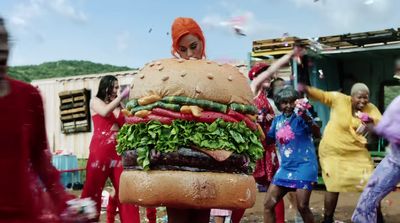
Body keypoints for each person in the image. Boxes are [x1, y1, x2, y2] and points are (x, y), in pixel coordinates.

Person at [0, 17, 74, 222]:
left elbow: (41, 160)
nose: (2, 48)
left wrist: (64, 203)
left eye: (5, 40)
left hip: (24, 214)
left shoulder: (28, 97)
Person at [302, 83, 382, 223]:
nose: (363, 101)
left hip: (356, 152)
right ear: (351, 97)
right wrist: (304, 88)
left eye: (366, 98)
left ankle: (378, 218)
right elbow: (321, 95)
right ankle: (328, 219)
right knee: (334, 185)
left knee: (371, 183)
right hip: (333, 151)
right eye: (359, 97)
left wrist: (370, 123)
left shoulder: (371, 109)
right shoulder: (339, 99)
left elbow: (381, 126)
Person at [81, 75, 141, 222]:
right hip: (100, 152)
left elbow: (129, 122)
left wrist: (128, 106)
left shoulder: (118, 104)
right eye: (114, 87)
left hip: (118, 152)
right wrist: (121, 97)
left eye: (118, 87)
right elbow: (105, 112)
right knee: (92, 191)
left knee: (125, 192)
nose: (117, 89)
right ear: (106, 87)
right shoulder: (95, 101)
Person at [263, 86, 319, 223]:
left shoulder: (302, 117)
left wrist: (307, 117)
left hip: (305, 166)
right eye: (284, 102)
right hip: (286, 168)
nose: (288, 105)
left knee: (302, 206)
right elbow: (267, 140)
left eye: (291, 101)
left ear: (296, 102)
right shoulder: (277, 121)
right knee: (267, 205)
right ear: (279, 104)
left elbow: (317, 133)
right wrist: (258, 123)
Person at [248, 63, 286, 223]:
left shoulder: (269, 100)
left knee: (275, 189)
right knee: (244, 189)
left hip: (269, 149)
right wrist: (259, 119)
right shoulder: (251, 94)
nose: (269, 76)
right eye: (266, 73)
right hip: (253, 149)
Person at [352, 95, 400, 223]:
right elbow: (385, 131)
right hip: (394, 160)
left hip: (395, 161)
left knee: (366, 203)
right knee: (366, 203)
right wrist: (372, 126)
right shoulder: (398, 103)